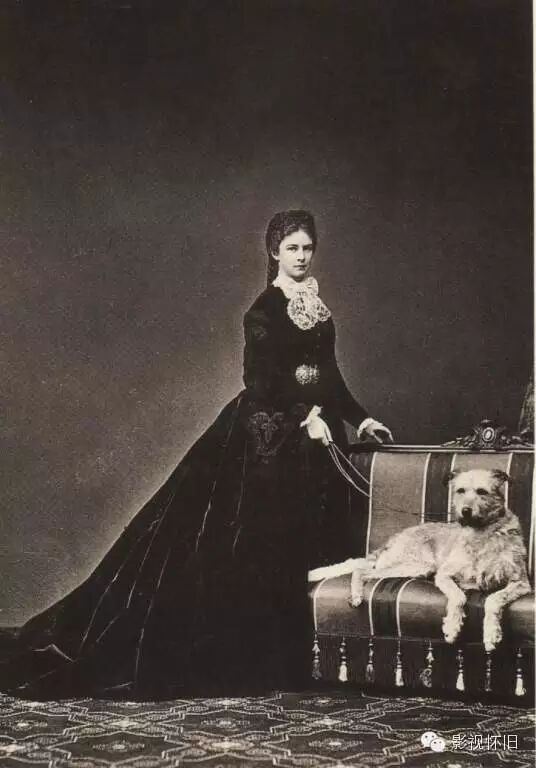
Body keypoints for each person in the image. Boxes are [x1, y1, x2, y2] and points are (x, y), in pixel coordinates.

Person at [0, 210, 392, 700]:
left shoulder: (318, 308)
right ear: (274, 252)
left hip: (315, 433)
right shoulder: (263, 311)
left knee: (311, 541)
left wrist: (361, 419)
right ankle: (263, 659)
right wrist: (302, 419)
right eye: (292, 248)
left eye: (307, 248)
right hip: (269, 437)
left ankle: (313, 659)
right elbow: (261, 383)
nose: (301, 256)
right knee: (247, 544)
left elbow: (328, 374)